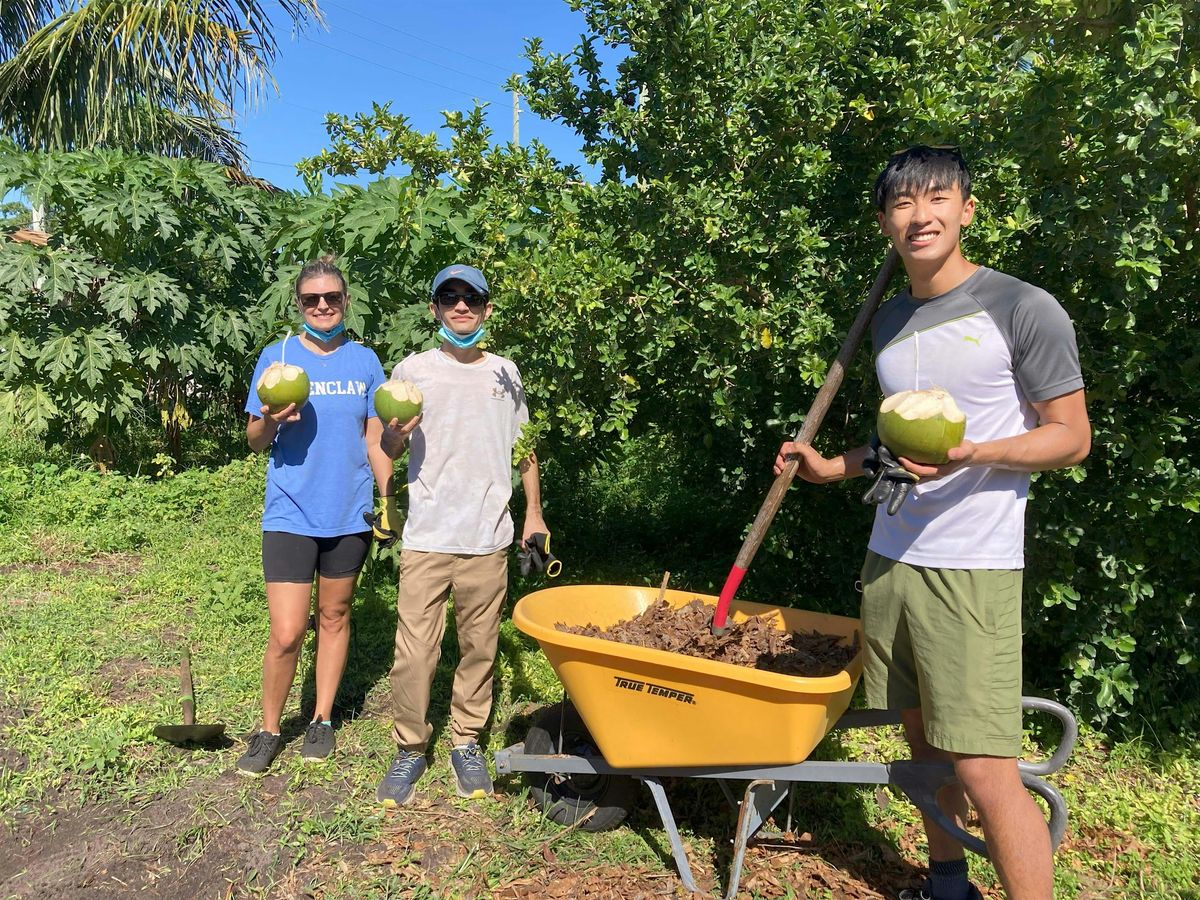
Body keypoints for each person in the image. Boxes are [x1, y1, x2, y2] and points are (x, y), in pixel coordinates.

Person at [775, 147, 1090, 899]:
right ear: (885, 223)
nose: (921, 216)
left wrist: (973, 452)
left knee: (983, 767)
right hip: (892, 555)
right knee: (923, 748)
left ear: (967, 209)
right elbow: (898, 438)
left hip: (973, 564)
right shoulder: (891, 320)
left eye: (937, 198)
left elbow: (1071, 437)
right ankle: (948, 885)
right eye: (903, 204)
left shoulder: (1021, 306)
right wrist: (832, 466)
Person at [374, 263, 549, 806]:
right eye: (449, 297)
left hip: (488, 535)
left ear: (487, 308)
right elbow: (390, 448)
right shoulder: (412, 371)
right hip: (427, 535)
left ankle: (466, 741)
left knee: (479, 647)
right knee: (414, 653)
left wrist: (534, 515)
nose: (460, 306)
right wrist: (393, 441)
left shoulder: (506, 373)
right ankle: (410, 746)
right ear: (435, 309)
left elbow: (524, 449)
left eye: (471, 297)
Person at [237, 257, 392, 776]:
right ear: (299, 304)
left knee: (334, 615)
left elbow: (375, 439)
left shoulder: (365, 361)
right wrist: (270, 420)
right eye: (311, 299)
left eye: (331, 297)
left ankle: (321, 718)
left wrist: (388, 501)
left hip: (349, 511)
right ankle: (269, 729)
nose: (322, 306)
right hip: (290, 512)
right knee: (286, 631)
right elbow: (254, 440)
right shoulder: (277, 358)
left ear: (345, 301)